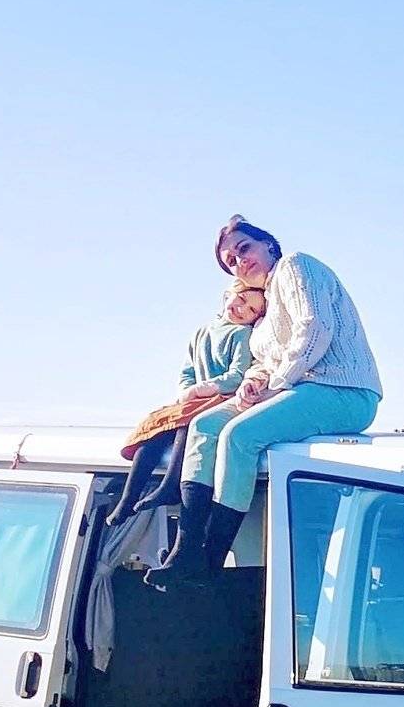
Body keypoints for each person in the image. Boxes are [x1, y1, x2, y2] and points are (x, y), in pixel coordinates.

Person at [153, 216, 384, 583]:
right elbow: (263, 361)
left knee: (239, 436)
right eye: (231, 261)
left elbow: (314, 330)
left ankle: (210, 560)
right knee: (205, 425)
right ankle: (186, 548)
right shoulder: (261, 311)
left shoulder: (295, 266)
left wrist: (275, 383)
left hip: (343, 391)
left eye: (244, 249)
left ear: (268, 246)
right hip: (295, 388)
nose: (240, 261)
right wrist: (253, 382)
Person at [102, 273, 267, 529]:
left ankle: (171, 484)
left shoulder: (242, 335)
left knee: (188, 425)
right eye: (242, 299)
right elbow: (187, 371)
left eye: (253, 309)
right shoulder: (202, 332)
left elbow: (237, 375)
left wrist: (203, 389)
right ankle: (128, 497)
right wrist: (187, 391)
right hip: (193, 399)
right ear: (228, 295)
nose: (243, 309)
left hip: (220, 398)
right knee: (155, 430)